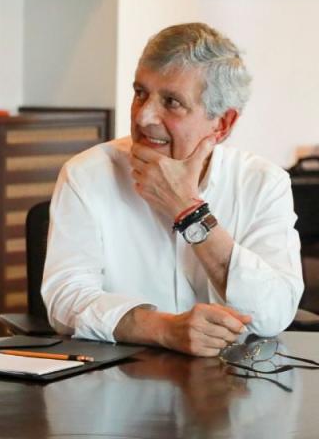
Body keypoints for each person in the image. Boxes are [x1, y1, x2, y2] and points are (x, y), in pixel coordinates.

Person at [42, 22, 303, 357]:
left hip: (233, 387)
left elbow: (274, 313)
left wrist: (188, 210)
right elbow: (65, 298)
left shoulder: (265, 183)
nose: (144, 117)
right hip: (120, 382)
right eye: (140, 93)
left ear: (221, 124)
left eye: (171, 102)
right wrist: (163, 329)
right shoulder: (86, 175)